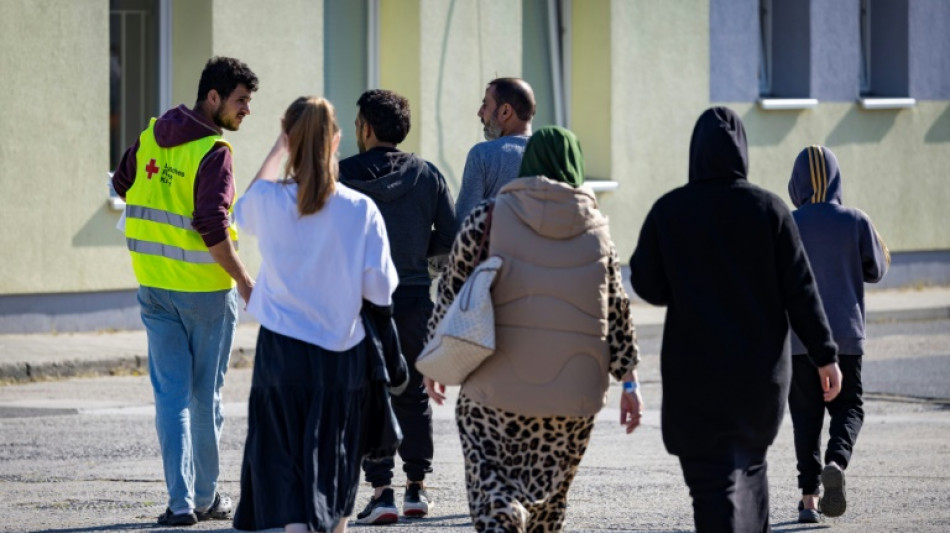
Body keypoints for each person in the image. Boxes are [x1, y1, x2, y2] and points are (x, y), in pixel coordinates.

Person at [629, 107, 843, 533]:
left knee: (711, 488)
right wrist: (826, 356)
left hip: (695, 380)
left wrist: (685, 280)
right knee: (750, 470)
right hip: (757, 381)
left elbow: (646, 284)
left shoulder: (669, 211)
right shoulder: (770, 210)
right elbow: (801, 292)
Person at [424, 126, 642, 532]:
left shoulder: (486, 219)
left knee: (493, 484)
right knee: (548, 503)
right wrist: (630, 383)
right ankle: (523, 512)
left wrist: (433, 365)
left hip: (494, 392)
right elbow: (618, 312)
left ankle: (501, 510)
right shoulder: (598, 229)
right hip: (573, 396)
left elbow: (452, 295)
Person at [231, 96, 399, 533]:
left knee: (281, 455)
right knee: (333, 453)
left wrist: (279, 148)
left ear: (289, 139)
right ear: (337, 141)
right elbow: (378, 290)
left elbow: (241, 209)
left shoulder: (269, 200)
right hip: (339, 350)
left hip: (280, 352)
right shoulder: (360, 210)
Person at [111, 56, 258, 527]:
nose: (245, 112)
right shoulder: (214, 152)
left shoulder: (151, 136)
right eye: (240, 101)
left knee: (171, 398)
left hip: (154, 286)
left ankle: (178, 504)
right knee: (204, 397)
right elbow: (211, 225)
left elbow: (121, 184)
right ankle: (207, 498)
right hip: (206, 294)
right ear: (212, 98)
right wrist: (244, 280)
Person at [338, 89, 456, 525]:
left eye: (357, 124)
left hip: (358, 300)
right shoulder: (427, 175)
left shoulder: (339, 174)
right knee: (412, 393)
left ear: (366, 128)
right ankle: (416, 490)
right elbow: (450, 235)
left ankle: (381, 492)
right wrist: (412, 253)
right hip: (411, 297)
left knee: (370, 394)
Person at [786, 145, 890, 523]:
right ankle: (837, 461)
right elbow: (877, 269)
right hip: (846, 335)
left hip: (799, 340)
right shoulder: (856, 220)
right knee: (848, 408)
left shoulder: (788, 221)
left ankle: (810, 501)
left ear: (795, 182)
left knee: (805, 417)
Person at [454, 77, 536, 222]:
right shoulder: (549, 156)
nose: (479, 112)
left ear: (505, 111)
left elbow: (464, 223)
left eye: (485, 104)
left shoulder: (482, 155)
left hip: (496, 245)